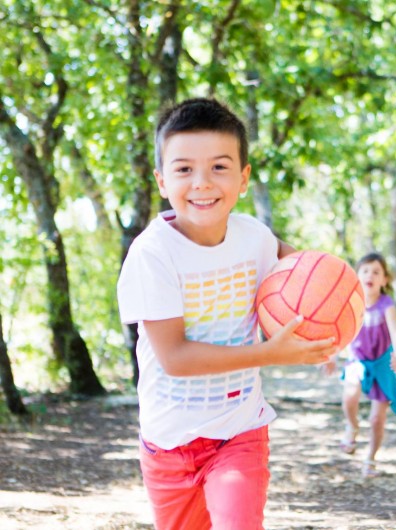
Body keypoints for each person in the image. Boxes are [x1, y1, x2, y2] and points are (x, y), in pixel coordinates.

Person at [117, 97, 337, 529]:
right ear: (162, 180)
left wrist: (324, 336)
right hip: (169, 444)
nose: (202, 182)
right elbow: (176, 359)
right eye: (184, 169)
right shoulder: (153, 254)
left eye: (219, 167)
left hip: (239, 431)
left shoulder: (254, 237)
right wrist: (273, 353)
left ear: (243, 178)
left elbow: (313, 281)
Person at [324, 252, 396, 478]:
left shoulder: (386, 305)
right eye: (365, 270)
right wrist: (333, 355)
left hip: (382, 364)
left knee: (377, 419)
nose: (370, 275)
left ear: (384, 280)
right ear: (357, 276)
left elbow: (395, 332)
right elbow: (340, 332)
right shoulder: (352, 304)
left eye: (376, 272)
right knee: (350, 395)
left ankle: (370, 459)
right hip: (357, 360)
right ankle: (352, 426)